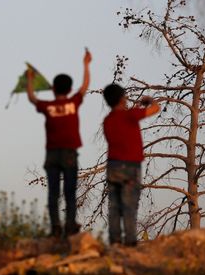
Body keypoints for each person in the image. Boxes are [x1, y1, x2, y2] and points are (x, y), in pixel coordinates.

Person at [26, 49, 91, 237]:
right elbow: (85, 86)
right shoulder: (74, 102)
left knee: (53, 193)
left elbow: (32, 98)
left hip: (52, 154)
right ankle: (70, 224)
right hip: (70, 153)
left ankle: (55, 227)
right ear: (70, 90)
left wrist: (30, 80)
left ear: (53, 89)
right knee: (70, 191)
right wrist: (86, 64)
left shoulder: (48, 106)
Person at [101, 83, 159, 246]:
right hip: (131, 166)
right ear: (121, 98)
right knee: (129, 204)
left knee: (114, 205)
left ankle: (115, 240)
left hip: (113, 165)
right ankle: (130, 241)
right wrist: (149, 100)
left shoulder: (107, 120)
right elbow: (155, 109)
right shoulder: (130, 115)